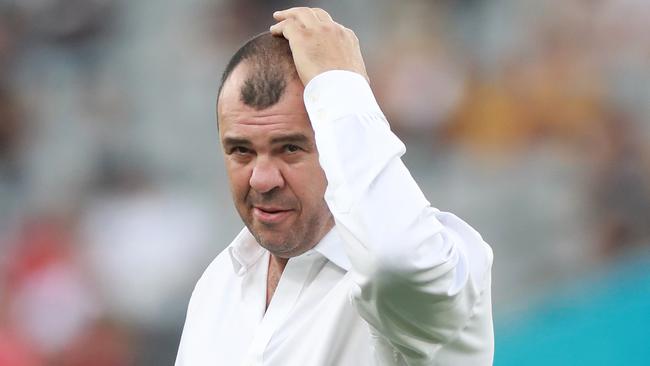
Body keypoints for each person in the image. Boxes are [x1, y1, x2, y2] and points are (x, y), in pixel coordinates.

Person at [176, 7, 493, 366]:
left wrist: (341, 85)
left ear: (337, 141)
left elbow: (396, 261)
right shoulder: (218, 285)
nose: (262, 179)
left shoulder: (445, 264)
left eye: (290, 148)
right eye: (241, 151)